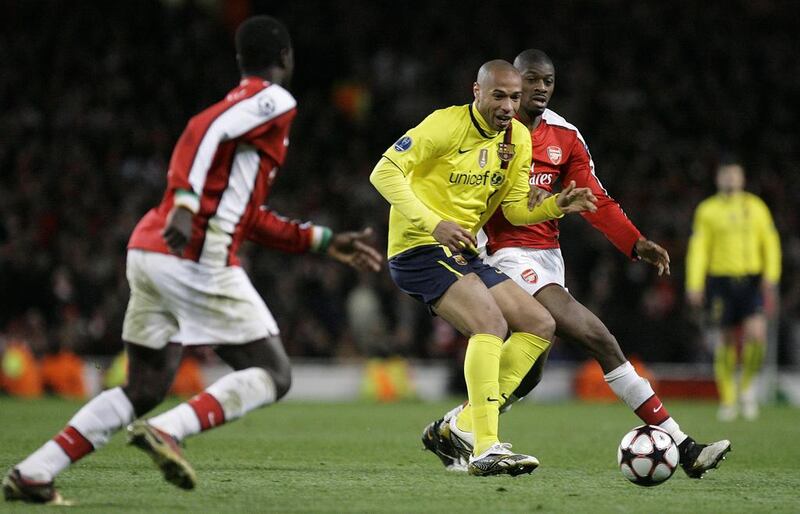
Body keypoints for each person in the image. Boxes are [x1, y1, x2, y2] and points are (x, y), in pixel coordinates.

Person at [3, 16, 383, 505]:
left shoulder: (248, 128)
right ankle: (168, 431)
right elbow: (202, 129)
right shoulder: (274, 100)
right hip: (195, 255)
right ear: (286, 58)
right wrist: (183, 199)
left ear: (240, 58)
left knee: (142, 385)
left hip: (149, 252)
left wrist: (321, 240)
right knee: (274, 373)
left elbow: (250, 215)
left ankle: (35, 472)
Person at [421, 49, 731, 479]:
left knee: (529, 375)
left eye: (548, 80)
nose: (540, 88)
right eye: (531, 80)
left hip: (548, 258)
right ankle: (682, 443)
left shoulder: (565, 136)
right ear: (510, 83)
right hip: (500, 254)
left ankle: (454, 427)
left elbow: (595, 199)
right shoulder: (489, 133)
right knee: (597, 336)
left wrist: (634, 241)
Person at [371, 59, 597, 476]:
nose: (509, 105)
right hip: (418, 246)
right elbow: (384, 172)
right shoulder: (444, 125)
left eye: (515, 97)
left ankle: (461, 426)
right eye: (499, 95)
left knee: (539, 324)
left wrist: (555, 206)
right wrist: (433, 222)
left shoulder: (519, 141)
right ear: (477, 92)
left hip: (462, 250)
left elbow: (512, 209)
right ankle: (486, 447)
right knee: (490, 324)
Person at [686, 159, 781, 421]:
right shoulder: (708, 210)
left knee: (757, 336)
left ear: (742, 178)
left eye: (734, 175)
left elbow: (770, 242)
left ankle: (747, 388)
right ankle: (728, 399)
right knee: (725, 340)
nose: (730, 179)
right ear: (718, 179)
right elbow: (699, 248)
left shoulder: (756, 207)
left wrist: (771, 275)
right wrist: (694, 283)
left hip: (751, 280)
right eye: (725, 175)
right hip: (720, 280)